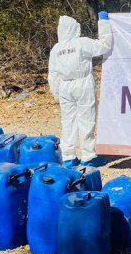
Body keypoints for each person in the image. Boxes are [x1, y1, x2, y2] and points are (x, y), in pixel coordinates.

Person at [48, 12, 112, 167]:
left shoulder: (56, 49)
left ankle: (68, 156)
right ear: (74, 28)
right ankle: (88, 156)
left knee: (67, 122)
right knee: (86, 119)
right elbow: (105, 45)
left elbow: (53, 74)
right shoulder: (82, 43)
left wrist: (56, 94)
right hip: (83, 84)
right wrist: (103, 23)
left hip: (64, 86)